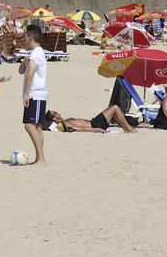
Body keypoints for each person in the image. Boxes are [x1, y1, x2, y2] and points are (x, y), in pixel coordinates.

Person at [18, 24, 47, 165]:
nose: (23, 39)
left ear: (30, 37)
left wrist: (26, 94)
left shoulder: (36, 53)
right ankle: (39, 158)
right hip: (39, 94)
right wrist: (25, 58)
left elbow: (29, 74)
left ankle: (41, 158)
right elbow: (21, 71)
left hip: (35, 94)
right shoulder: (34, 53)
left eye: (25, 36)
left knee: (29, 125)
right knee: (37, 126)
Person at [42, 106, 137, 133]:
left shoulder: (66, 120)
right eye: (55, 113)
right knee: (115, 108)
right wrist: (96, 130)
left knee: (114, 113)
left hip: (94, 122)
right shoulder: (65, 123)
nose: (57, 112)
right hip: (95, 125)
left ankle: (126, 128)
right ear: (54, 118)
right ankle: (128, 129)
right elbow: (79, 129)